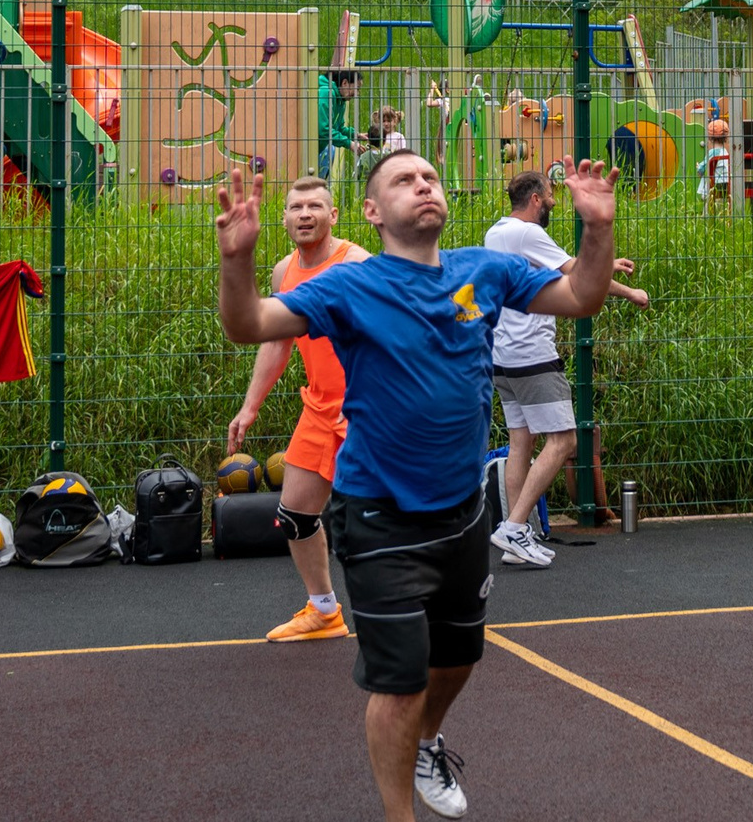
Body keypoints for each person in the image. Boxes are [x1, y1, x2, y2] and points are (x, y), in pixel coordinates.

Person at [216, 150, 627, 822]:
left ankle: (428, 740)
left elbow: (582, 296)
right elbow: (249, 325)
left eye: (430, 177)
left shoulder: (483, 270)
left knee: (459, 656)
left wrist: (598, 228)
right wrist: (236, 260)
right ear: (373, 211)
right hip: (378, 514)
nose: (423, 185)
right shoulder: (349, 285)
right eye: (404, 180)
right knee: (401, 680)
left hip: (462, 512)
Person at [226, 176, 370, 640]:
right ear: (285, 219)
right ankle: (325, 612)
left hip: (367, 409)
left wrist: (368, 397)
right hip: (320, 408)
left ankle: (422, 607)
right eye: (296, 207)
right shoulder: (284, 271)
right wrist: (250, 407)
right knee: (295, 516)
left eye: (315, 206)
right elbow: (277, 341)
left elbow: (387, 336)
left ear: (334, 215)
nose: (305, 214)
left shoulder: (356, 264)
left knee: (384, 518)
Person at [484, 171, 647, 567]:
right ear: (535, 199)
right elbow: (577, 273)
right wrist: (630, 292)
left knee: (522, 442)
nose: (554, 203)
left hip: (501, 356)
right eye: (550, 196)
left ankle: (516, 534)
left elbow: (569, 268)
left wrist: (607, 264)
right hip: (531, 354)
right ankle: (515, 527)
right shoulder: (528, 233)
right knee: (563, 441)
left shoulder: (496, 233)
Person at [319, 70, 360, 181]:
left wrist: (356, 135)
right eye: (356, 88)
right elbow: (323, 130)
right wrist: (349, 144)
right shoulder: (326, 93)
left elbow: (339, 128)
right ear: (344, 83)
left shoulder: (341, 100)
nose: (357, 93)